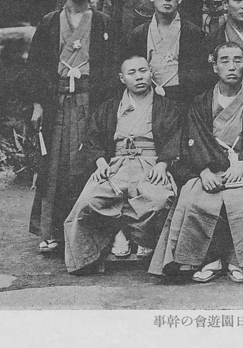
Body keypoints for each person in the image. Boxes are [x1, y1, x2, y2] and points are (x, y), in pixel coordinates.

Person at [149, 42, 243, 283]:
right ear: (215, 67)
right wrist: (204, 170)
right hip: (207, 168)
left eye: (238, 60)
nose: (232, 66)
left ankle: (240, 260)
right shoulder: (200, 102)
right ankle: (206, 259)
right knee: (193, 198)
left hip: (242, 168)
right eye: (225, 60)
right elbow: (192, 137)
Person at [27, 0, 117, 255]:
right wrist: (38, 104)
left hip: (92, 101)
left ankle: (90, 232)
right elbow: (36, 66)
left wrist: (108, 107)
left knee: (89, 163)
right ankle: (51, 231)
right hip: (58, 102)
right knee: (54, 166)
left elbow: (112, 67)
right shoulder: (49, 22)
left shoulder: (103, 22)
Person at [63, 55, 180, 274]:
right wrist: (100, 163)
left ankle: (143, 238)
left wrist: (163, 164)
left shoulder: (166, 106)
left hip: (151, 164)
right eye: (131, 73)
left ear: (151, 73)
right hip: (116, 165)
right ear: (121, 78)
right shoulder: (110, 107)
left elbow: (176, 137)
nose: (139, 77)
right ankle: (114, 234)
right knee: (89, 200)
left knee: (160, 200)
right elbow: (93, 138)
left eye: (143, 71)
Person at [127, 0, 210, 108]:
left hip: (182, 101)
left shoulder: (194, 33)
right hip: (147, 99)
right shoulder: (138, 34)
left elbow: (200, 78)